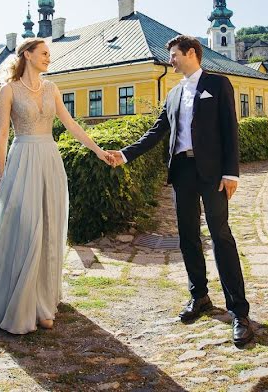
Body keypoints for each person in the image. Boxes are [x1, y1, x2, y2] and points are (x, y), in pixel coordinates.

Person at [108, 34, 253, 347]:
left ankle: (239, 312)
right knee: (187, 236)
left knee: (219, 235)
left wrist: (231, 173)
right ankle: (199, 296)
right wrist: (125, 154)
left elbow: (231, 128)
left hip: (214, 173)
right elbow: (157, 131)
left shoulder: (217, 84)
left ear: (190, 53)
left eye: (173, 54)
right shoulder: (173, 94)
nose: (170, 60)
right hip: (183, 172)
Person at [0, 38, 113, 334]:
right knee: (28, 230)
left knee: (49, 229)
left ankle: (44, 305)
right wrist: (1, 173)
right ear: (28, 54)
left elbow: (71, 124)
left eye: (49, 54)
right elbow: (2, 134)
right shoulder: (8, 89)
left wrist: (98, 151)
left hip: (49, 159)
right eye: (44, 53)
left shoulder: (52, 88)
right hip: (22, 160)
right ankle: (22, 304)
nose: (49, 58)